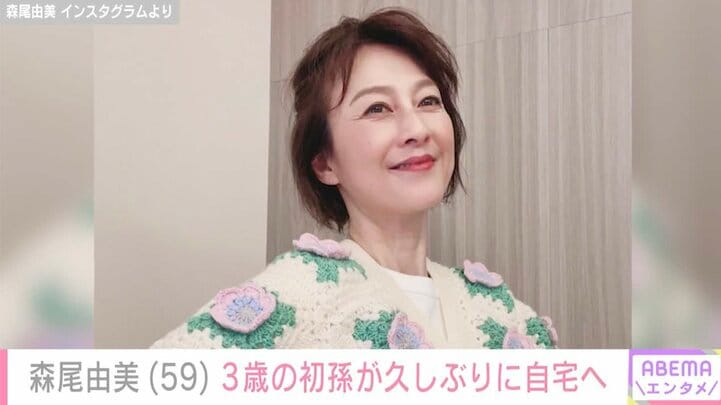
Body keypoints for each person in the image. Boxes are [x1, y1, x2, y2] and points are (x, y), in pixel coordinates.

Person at [152, 8, 557, 349]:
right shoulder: (297, 298)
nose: (417, 128)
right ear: (325, 163)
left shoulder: (502, 314)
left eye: (428, 101)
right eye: (377, 108)